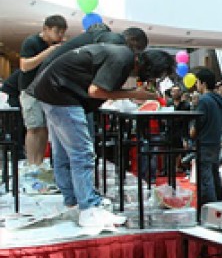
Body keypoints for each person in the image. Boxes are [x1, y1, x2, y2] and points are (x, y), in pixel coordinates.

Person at [26, 44, 174, 228]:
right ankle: (88, 209)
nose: (153, 80)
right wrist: (135, 93)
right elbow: (95, 91)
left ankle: (73, 202)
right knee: (82, 153)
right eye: (156, 76)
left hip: (52, 90)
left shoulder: (120, 54)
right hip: (62, 95)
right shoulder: (122, 59)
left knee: (63, 153)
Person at [19, 15, 67, 171]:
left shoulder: (56, 45)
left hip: (46, 91)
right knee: (34, 127)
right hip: (30, 91)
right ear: (46, 29)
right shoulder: (32, 42)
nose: (60, 35)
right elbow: (25, 66)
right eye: (57, 31)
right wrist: (48, 52)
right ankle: (32, 165)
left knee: (44, 128)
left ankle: (39, 163)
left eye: (62, 32)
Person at [190, 68, 222, 203]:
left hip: (204, 143)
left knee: (206, 179)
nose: (196, 85)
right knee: (215, 176)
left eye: (197, 82)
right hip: (216, 142)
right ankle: (218, 205)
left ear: (203, 83)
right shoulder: (221, 99)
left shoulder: (204, 100)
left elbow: (197, 124)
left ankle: (209, 208)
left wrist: (193, 131)